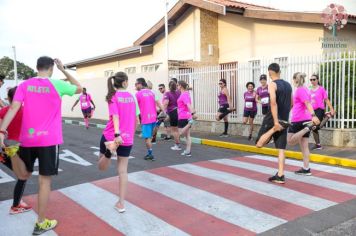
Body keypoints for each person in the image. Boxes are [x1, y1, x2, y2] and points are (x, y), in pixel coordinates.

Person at [0, 56, 82, 235]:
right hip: (49, 140)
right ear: (51, 68)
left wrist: (1, 131)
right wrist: (64, 70)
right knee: (44, 182)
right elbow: (80, 88)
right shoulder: (56, 84)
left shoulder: (24, 85)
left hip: (28, 139)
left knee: (24, 174)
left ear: (36, 67)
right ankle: (41, 223)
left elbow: (13, 108)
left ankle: (13, 154)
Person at [98, 72, 140, 213]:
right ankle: (121, 203)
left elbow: (115, 115)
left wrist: (116, 135)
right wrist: (129, 136)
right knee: (123, 171)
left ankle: (109, 152)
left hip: (111, 135)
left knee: (101, 167)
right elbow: (137, 120)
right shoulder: (132, 98)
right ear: (124, 83)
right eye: (128, 81)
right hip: (127, 138)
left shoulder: (113, 97)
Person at [255, 63, 292, 184]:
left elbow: (273, 103)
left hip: (273, 118)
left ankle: (273, 130)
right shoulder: (288, 85)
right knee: (281, 148)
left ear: (270, 73)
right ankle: (280, 175)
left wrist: (275, 122)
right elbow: (291, 103)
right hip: (284, 119)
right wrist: (283, 117)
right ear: (279, 71)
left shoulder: (272, 84)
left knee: (259, 143)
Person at [0, 86, 32, 214]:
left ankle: (17, 202)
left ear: (8, 98)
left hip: (3, 149)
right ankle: (15, 206)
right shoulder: (27, 111)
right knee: (22, 176)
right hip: (18, 149)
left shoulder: (3, 111)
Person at [287, 72, 320, 176]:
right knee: (304, 146)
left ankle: (307, 128)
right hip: (305, 119)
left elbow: (307, 103)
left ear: (295, 80)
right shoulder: (305, 89)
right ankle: (306, 169)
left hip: (298, 120)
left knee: (290, 141)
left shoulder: (300, 90)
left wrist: (313, 115)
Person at [135, 78, 164, 161]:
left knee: (147, 138)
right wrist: (164, 112)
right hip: (153, 117)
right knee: (150, 137)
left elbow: (134, 107)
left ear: (140, 84)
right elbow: (158, 103)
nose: (135, 86)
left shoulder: (138, 94)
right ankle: (150, 152)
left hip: (146, 119)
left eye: (136, 84)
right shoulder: (151, 93)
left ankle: (150, 154)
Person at [309, 74, 335, 150]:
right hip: (313, 111)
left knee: (317, 126)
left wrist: (332, 109)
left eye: (314, 79)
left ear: (317, 80)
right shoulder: (309, 90)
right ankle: (318, 145)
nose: (312, 81)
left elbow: (326, 100)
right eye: (311, 80)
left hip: (320, 109)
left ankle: (328, 116)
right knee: (313, 128)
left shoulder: (321, 89)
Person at [177, 80, 197, 157]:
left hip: (183, 116)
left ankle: (190, 123)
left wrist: (193, 113)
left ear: (181, 86)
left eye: (177, 85)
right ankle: (188, 151)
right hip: (185, 116)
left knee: (180, 133)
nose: (177, 86)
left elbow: (188, 105)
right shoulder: (185, 94)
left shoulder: (184, 95)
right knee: (187, 136)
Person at [164, 81, 182, 151]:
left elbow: (165, 104)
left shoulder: (167, 93)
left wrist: (163, 111)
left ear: (169, 86)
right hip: (179, 111)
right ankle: (178, 144)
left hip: (172, 112)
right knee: (177, 130)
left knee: (174, 130)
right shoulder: (179, 92)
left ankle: (177, 145)